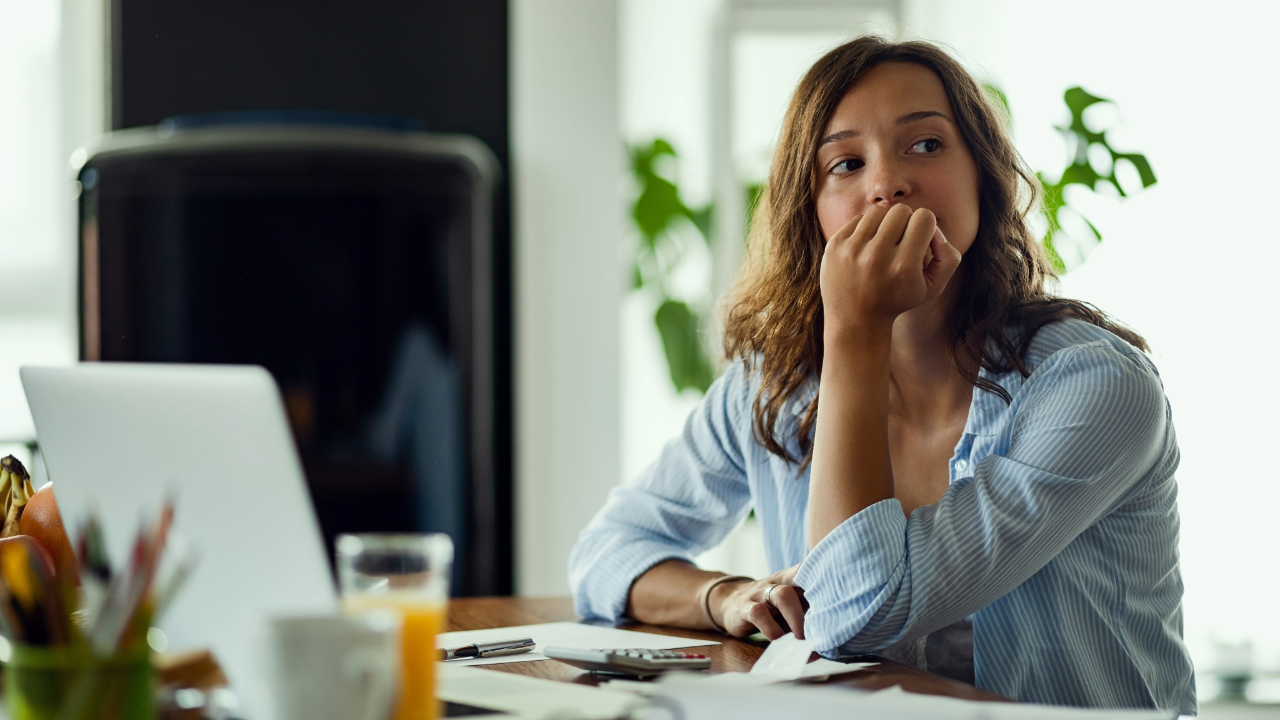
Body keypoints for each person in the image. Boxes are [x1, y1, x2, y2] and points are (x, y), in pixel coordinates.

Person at [569, 35, 1194, 713]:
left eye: (925, 145)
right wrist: (721, 596)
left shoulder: (1095, 388)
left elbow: (856, 614)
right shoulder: (772, 386)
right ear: (810, 210)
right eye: (845, 163)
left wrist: (856, 333)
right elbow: (607, 553)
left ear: (985, 176)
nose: (886, 183)